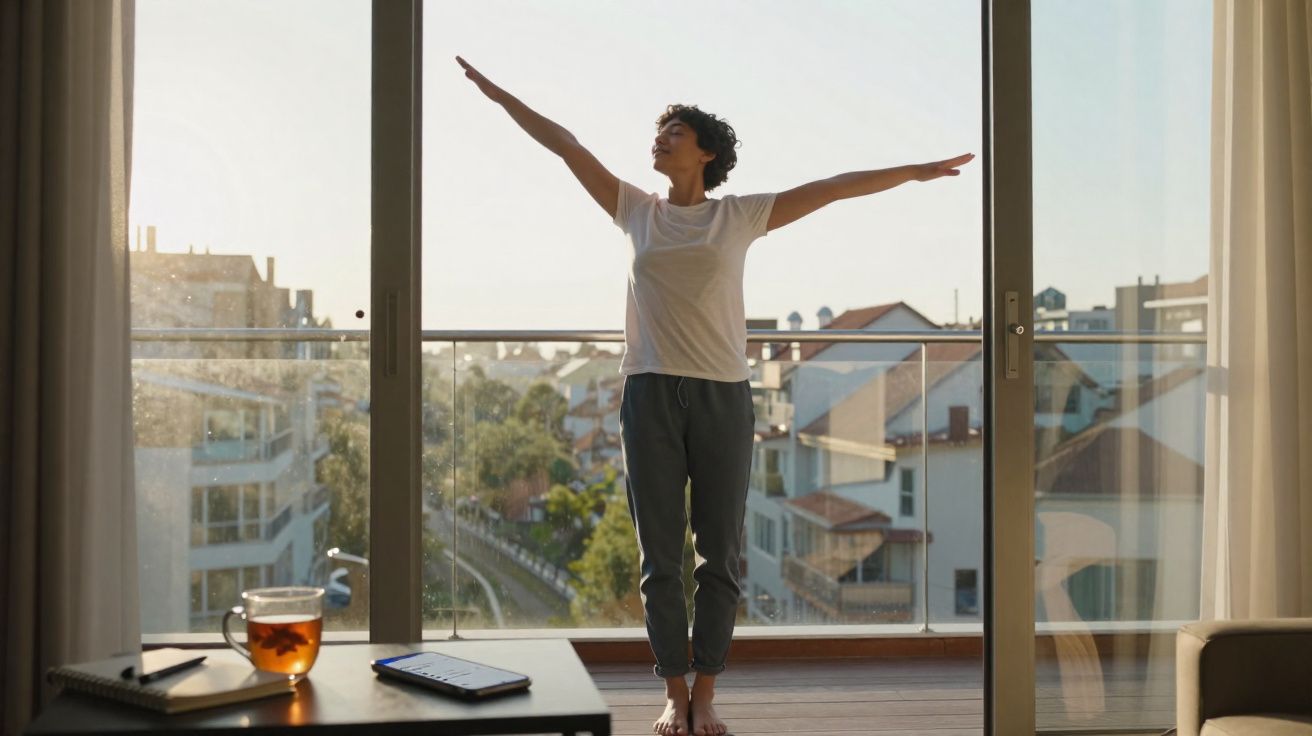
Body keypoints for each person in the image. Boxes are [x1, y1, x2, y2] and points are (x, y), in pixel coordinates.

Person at [457, 56, 973, 736]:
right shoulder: (636, 211)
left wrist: (914, 171)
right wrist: (499, 95)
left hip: (724, 400)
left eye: (675, 130)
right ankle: (675, 693)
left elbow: (833, 188)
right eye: (659, 129)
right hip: (649, 396)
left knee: (720, 553)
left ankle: (707, 692)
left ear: (706, 152)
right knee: (659, 556)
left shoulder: (739, 216)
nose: (660, 137)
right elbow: (567, 146)